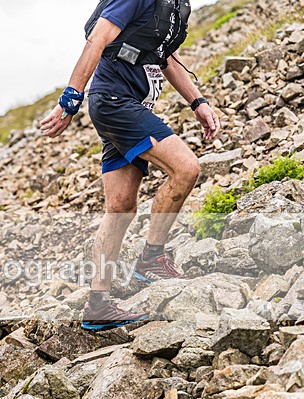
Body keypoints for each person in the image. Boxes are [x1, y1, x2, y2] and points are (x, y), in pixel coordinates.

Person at [40, 0, 221, 331]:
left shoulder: (177, 5)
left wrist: (198, 102)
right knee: (186, 168)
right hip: (114, 102)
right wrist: (70, 100)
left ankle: (97, 306)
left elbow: (163, 56)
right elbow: (97, 38)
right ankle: (152, 258)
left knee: (120, 208)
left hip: (130, 104)